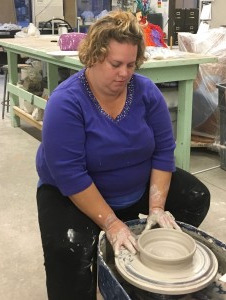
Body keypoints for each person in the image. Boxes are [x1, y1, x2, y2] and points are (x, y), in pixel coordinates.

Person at [35, 10, 210, 300]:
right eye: (115, 64)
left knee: (195, 197)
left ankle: (134, 263)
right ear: (93, 57)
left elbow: (164, 152)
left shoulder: (146, 92)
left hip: (134, 189)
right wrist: (111, 223)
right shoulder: (66, 102)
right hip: (73, 195)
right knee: (68, 249)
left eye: (131, 64)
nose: (125, 73)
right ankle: (106, 248)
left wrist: (156, 207)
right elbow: (70, 174)